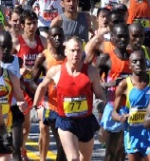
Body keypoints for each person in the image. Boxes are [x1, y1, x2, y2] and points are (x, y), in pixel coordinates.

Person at [33, 36, 106, 161]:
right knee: (73, 158)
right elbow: (42, 86)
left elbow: (99, 94)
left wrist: (102, 107)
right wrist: (35, 106)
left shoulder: (91, 71)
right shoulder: (56, 71)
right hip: (66, 121)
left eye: (78, 50)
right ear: (66, 51)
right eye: (72, 50)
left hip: (86, 121)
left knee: (85, 159)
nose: (75, 54)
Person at [0, 38, 27, 161]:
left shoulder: (11, 76)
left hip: (4, 129)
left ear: (2, 53)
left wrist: (22, 104)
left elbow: (20, 98)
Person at [112, 49, 150, 161]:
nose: (138, 64)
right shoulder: (124, 85)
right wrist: (120, 118)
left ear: (146, 63)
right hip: (133, 136)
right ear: (129, 65)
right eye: (134, 61)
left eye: (141, 61)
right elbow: (114, 112)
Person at [97, 23, 132, 161]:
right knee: (111, 151)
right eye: (119, 36)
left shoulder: (133, 58)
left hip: (130, 107)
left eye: (125, 36)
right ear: (113, 38)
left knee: (123, 151)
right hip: (113, 107)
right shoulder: (106, 58)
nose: (123, 39)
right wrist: (111, 84)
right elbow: (95, 81)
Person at [32, 26, 67, 161]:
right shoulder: (44, 57)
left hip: (69, 106)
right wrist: (44, 93)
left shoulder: (69, 55)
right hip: (52, 106)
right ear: (49, 39)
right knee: (61, 144)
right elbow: (32, 82)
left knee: (67, 145)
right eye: (54, 36)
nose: (57, 38)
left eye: (60, 35)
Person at [16, 10, 45, 160]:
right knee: (25, 129)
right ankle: (22, 150)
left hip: (39, 87)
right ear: (22, 25)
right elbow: (9, 64)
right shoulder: (17, 42)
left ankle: (42, 156)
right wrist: (20, 70)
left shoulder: (43, 41)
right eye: (29, 24)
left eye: (34, 23)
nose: (32, 26)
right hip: (23, 88)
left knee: (43, 123)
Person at [0, 32, 24, 161]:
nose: (5, 50)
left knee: (15, 147)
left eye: (7, 46)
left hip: (14, 108)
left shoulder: (18, 60)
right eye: (2, 46)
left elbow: (22, 81)